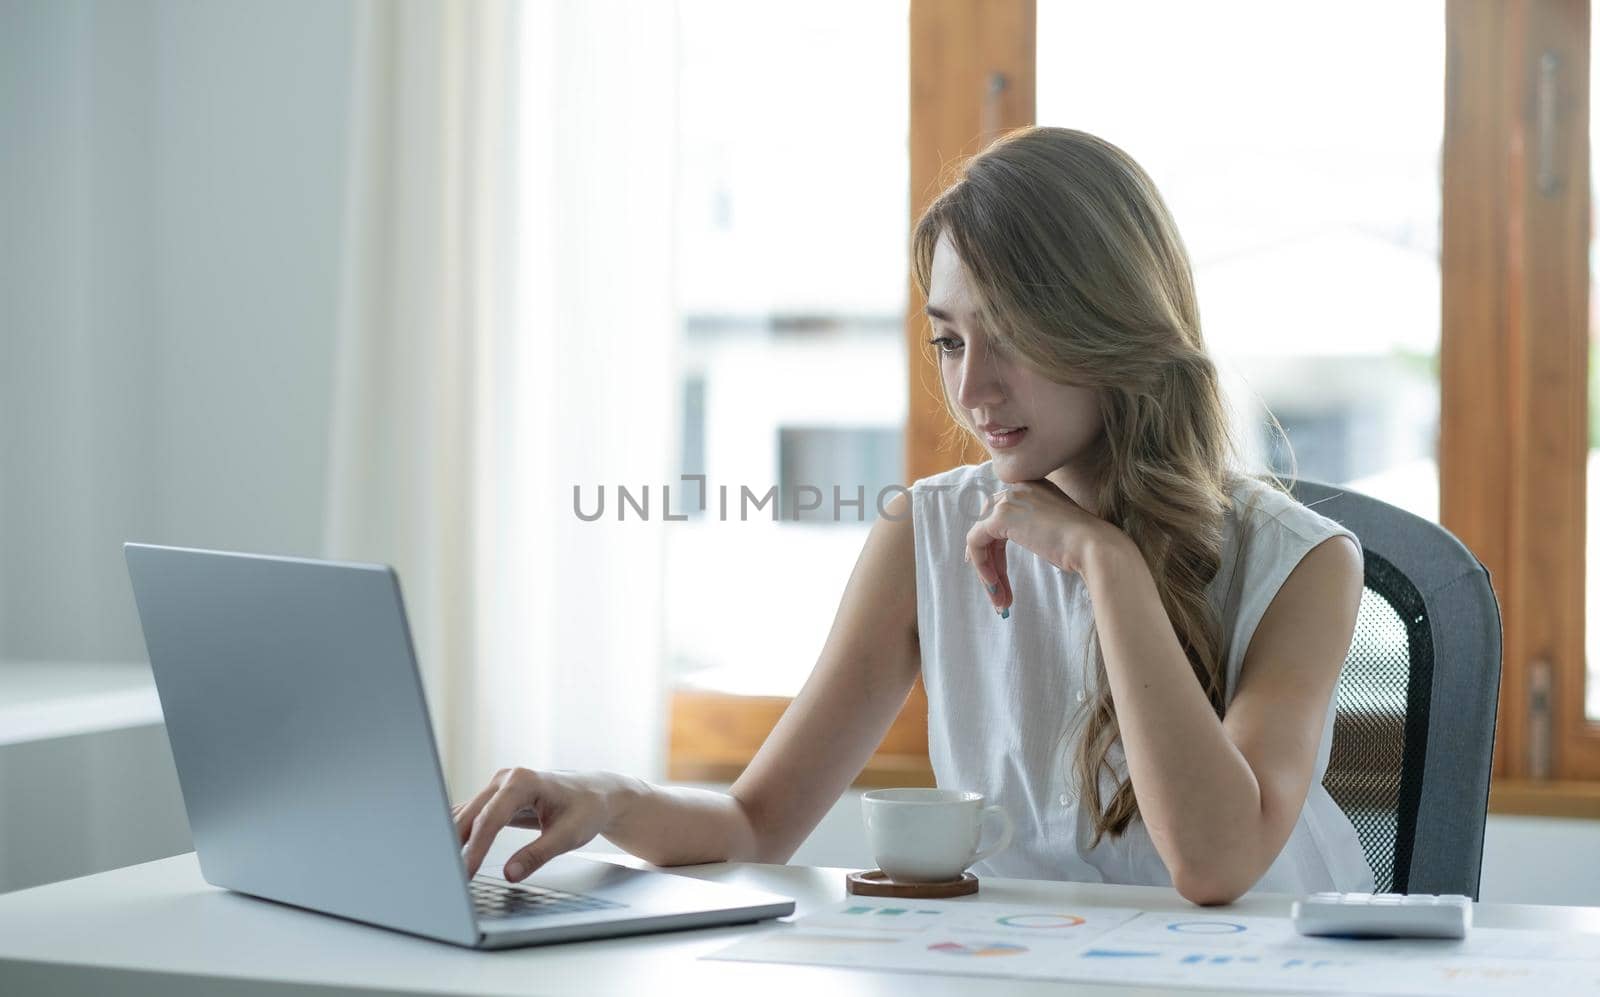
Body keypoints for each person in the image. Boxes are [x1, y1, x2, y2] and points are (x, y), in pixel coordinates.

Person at [452, 126, 1377, 906]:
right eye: (948, 339)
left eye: (1009, 337)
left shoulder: (1301, 564)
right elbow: (756, 822)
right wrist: (608, 798)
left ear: (1113, 323)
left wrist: (1109, 566)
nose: (972, 387)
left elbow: (1214, 865)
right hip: (1025, 968)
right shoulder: (930, 532)